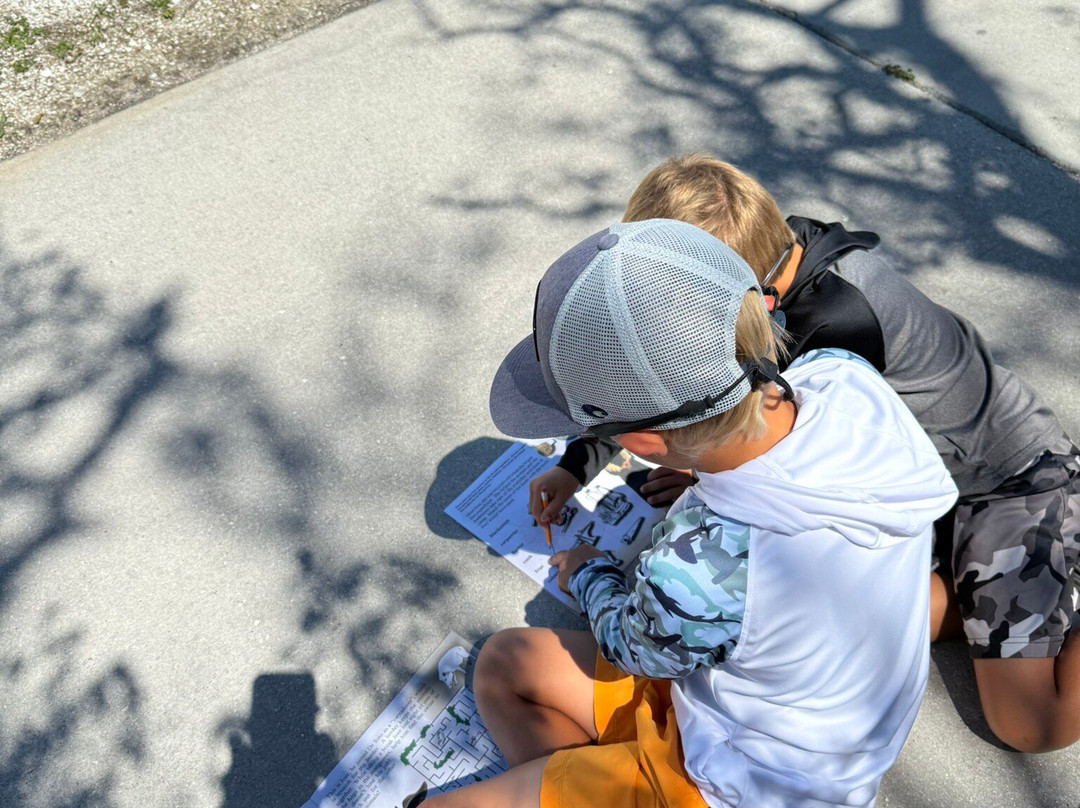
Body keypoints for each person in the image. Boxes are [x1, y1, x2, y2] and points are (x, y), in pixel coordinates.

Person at [530, 153, 1080, 753]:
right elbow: (656, 381)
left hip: (1011, 481)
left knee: (1028, 723)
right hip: (923, 482)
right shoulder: (765, 259)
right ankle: (976, 588)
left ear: (743, 298)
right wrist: (574, 464)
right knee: (832, 634)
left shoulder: (840, 327)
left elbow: (750, 432)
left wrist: (697, 484)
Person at [427, 219, 957, 808]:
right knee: (505, 664)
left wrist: (586, 571)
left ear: (646, 444)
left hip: (732, 785)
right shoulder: (842, 376)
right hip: (794, 744)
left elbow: (629, 644)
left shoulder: (700, 567)